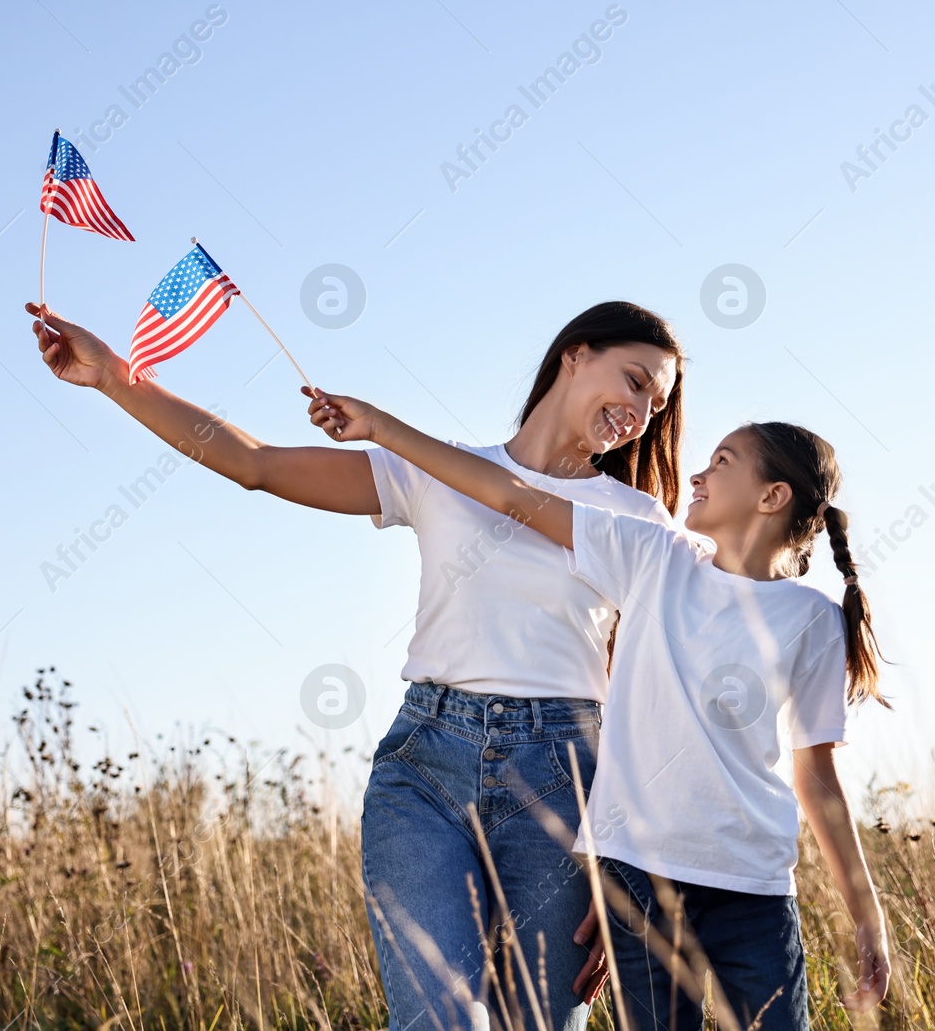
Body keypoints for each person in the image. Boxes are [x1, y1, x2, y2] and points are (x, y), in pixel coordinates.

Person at [24, 299, 685, 1031]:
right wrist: (113, 377)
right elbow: (256, 465)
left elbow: (642, 701)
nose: (641, 410)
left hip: (565, 780)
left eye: (656, 402)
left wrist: (628, 864)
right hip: (427, 767)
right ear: (576, 354)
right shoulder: (440, 471)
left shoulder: (639, 522)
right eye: (633, 380)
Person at [305, 390, 893, 1030]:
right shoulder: (652, 557)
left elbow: (816, 776)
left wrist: (867, 914)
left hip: (751, 891)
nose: (698, 473)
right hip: (636, 885)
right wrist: (382, 429)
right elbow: (508, 494)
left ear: (771, 497)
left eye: (723, 462)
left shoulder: (813, 620)